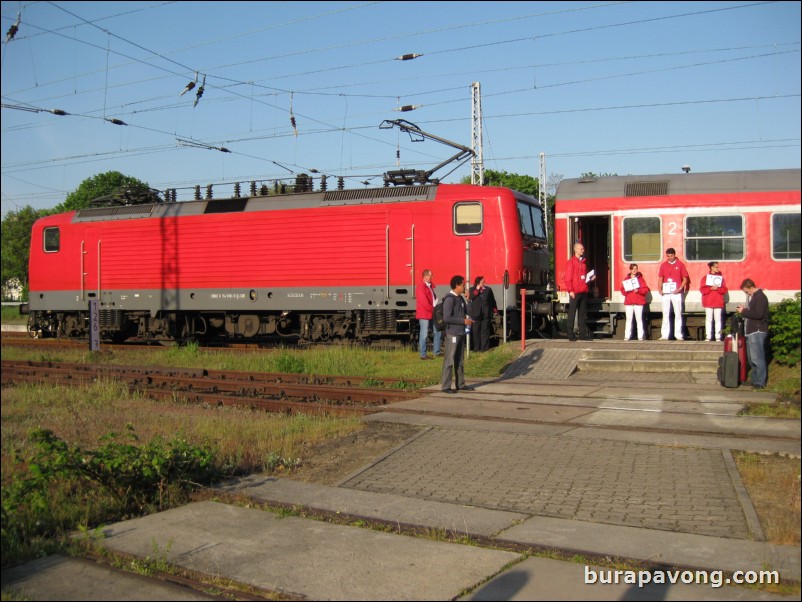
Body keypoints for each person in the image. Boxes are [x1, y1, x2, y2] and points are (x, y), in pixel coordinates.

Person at [440, 275, 474, 393]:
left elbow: (469, 312)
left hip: (460, 333)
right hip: (452, 334)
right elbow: (447, 318)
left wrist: (468, 300)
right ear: (457, 285)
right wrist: (463, 321)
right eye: (463, 284)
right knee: (449, 360)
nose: (465, 286)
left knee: (460, 360)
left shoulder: (460, 299)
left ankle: (460, 384)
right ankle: (445, 386)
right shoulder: (449, 299)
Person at [736, 278, 769, 389]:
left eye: (747, 291)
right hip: (751, 331)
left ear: (751, 287)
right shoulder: (755, 297)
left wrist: (744, 311)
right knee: (752, 358)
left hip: (757, 330)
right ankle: (755, 380)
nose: (747, 294)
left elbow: (758, 314)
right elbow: (754, 313)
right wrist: (745, 310)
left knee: (757, 358)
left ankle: (760, 382)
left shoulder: (760, 297)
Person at [564, 242, 595, 341]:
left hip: (583, 291)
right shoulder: (571, 262)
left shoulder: (583, 263)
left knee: (582, 313)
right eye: (581, 249)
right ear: (576, 250)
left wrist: (590, 279)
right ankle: (570, 333)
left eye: (583, 249)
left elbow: (584, 277)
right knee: (572, 313)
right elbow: (568, 278)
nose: (583, 250)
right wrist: (570, 290)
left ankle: (582, 334)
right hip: (575, 291)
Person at [657, 248, 690, 341]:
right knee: (665, 313)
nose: (669, 258)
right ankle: (664, 335)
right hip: (666, 293)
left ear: (674, 255)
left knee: (678, 313)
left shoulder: (680, 265)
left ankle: (678, 335)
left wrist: (680, 289)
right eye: (668, 256)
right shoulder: (663, 265)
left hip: (676, 293)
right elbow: (660, 278)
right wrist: (660, 289)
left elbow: (685, 279)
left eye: (671, 256)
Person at [415, 269, 441, 360]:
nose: (431, 277)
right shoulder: (421, 288)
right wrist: (433, 309)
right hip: (424, 314)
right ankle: (423, 354)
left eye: (431, 275)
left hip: (430, 312)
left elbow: (431, 299)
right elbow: (424, 303)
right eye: (429, 276)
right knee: (424, 333)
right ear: (424, 277)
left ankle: (436, 352)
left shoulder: (429, 287)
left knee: (437, 330)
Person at [619, 263, 649, 341]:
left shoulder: (641, 279)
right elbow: (622, 291)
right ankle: (627, 336)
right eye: (633, 268)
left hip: (638, 302)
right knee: (629, 319)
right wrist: (627, 290)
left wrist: (638, 291)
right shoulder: (626, 279)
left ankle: (640, 336)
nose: (634, 270)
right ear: (630, 269)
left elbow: (645, 290)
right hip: (629, 302)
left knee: (639, 319)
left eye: (636, 268)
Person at [700, 261, 728, 342]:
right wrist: (710, 288)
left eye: (718, 267)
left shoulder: (721, 278)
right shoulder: (705, 278)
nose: (718, 268)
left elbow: (724, 289)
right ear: (711, 267)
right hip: (708, 301)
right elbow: (702, 289)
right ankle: (708, 336)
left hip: (718, 301)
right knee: (709, 319)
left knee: (718, 319)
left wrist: (718, 289)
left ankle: (718, 336)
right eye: (716, 267)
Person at [468, 276, 497, 352]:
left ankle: (484, 349)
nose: (484, 283)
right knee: (476, 332)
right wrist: (477, 289)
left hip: (485, 314)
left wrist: (495, 310)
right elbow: (471, 297)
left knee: (485, 332)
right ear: (478, 282)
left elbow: (492, 300)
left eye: (484, 282)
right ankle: (476, 349)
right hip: (476, 314)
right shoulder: (472, 290)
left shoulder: (488, 290)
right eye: (482, 282)